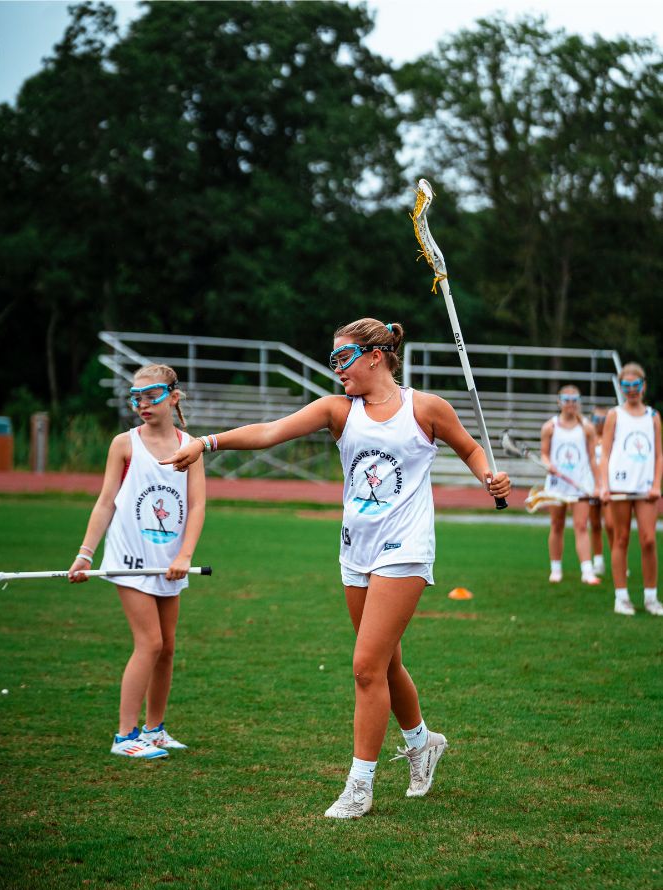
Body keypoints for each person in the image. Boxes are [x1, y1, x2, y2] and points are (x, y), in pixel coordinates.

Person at [162, 318, 510, 818]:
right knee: (385, 663)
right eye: (332, 360)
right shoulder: (338, 412)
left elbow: (471, 448)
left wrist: (489, 477)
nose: (336, 370)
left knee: (365, 667)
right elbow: (270, 432)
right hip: (356, 551)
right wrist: (208, 442)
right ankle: (423, 742)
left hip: (405, 550)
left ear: (375, 356)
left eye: (342, 359)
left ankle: (359, 786)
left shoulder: (426, 409)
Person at [68, 364, 206, 758]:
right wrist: (84, 554)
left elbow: (196, 507)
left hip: (168, 562)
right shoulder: (124, 444)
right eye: (136, 397)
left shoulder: (189, 446)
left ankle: (154, 728)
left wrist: (184, 555)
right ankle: (125, 737)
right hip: (129, 560)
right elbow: (106, 501)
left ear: (173, 397)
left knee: (167, 648)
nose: (142, 404)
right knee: (149, 643)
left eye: (151, 396)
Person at [599, 363, 663, 616]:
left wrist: (657, 484)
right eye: (626, 386)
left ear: (643, 386)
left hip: (645, 488)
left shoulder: (653, 416)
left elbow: (659, 455)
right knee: (621, 538)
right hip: (620, 486)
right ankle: (621, 597)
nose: (631, 390)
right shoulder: (615, 414)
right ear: (621, 387)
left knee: (648, 540)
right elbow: (604, 454)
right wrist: (604, 486)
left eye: (636, 385)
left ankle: (650, 597)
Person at [540, 385, 600, 585]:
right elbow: (544, 454)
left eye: (574, 400)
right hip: (558, 484)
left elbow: (592, 458)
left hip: (580, 483)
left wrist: (598, 484)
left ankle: (587, 570)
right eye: (566, 399)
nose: (571, 404)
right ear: (559, 402)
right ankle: (555, 569)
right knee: (557, 525)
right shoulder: (551, 427)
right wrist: (549, 466)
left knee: (582, 525)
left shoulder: (587, 428)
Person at [588, 406, 613, 577]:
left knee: (611, 525)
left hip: (607, 489)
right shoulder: (589, 439)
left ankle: (618, 561)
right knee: (595, 525)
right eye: (596, 420)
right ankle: (598, 562)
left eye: (603, 420)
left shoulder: (612, 439)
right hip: (590, 488)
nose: (600, 424)